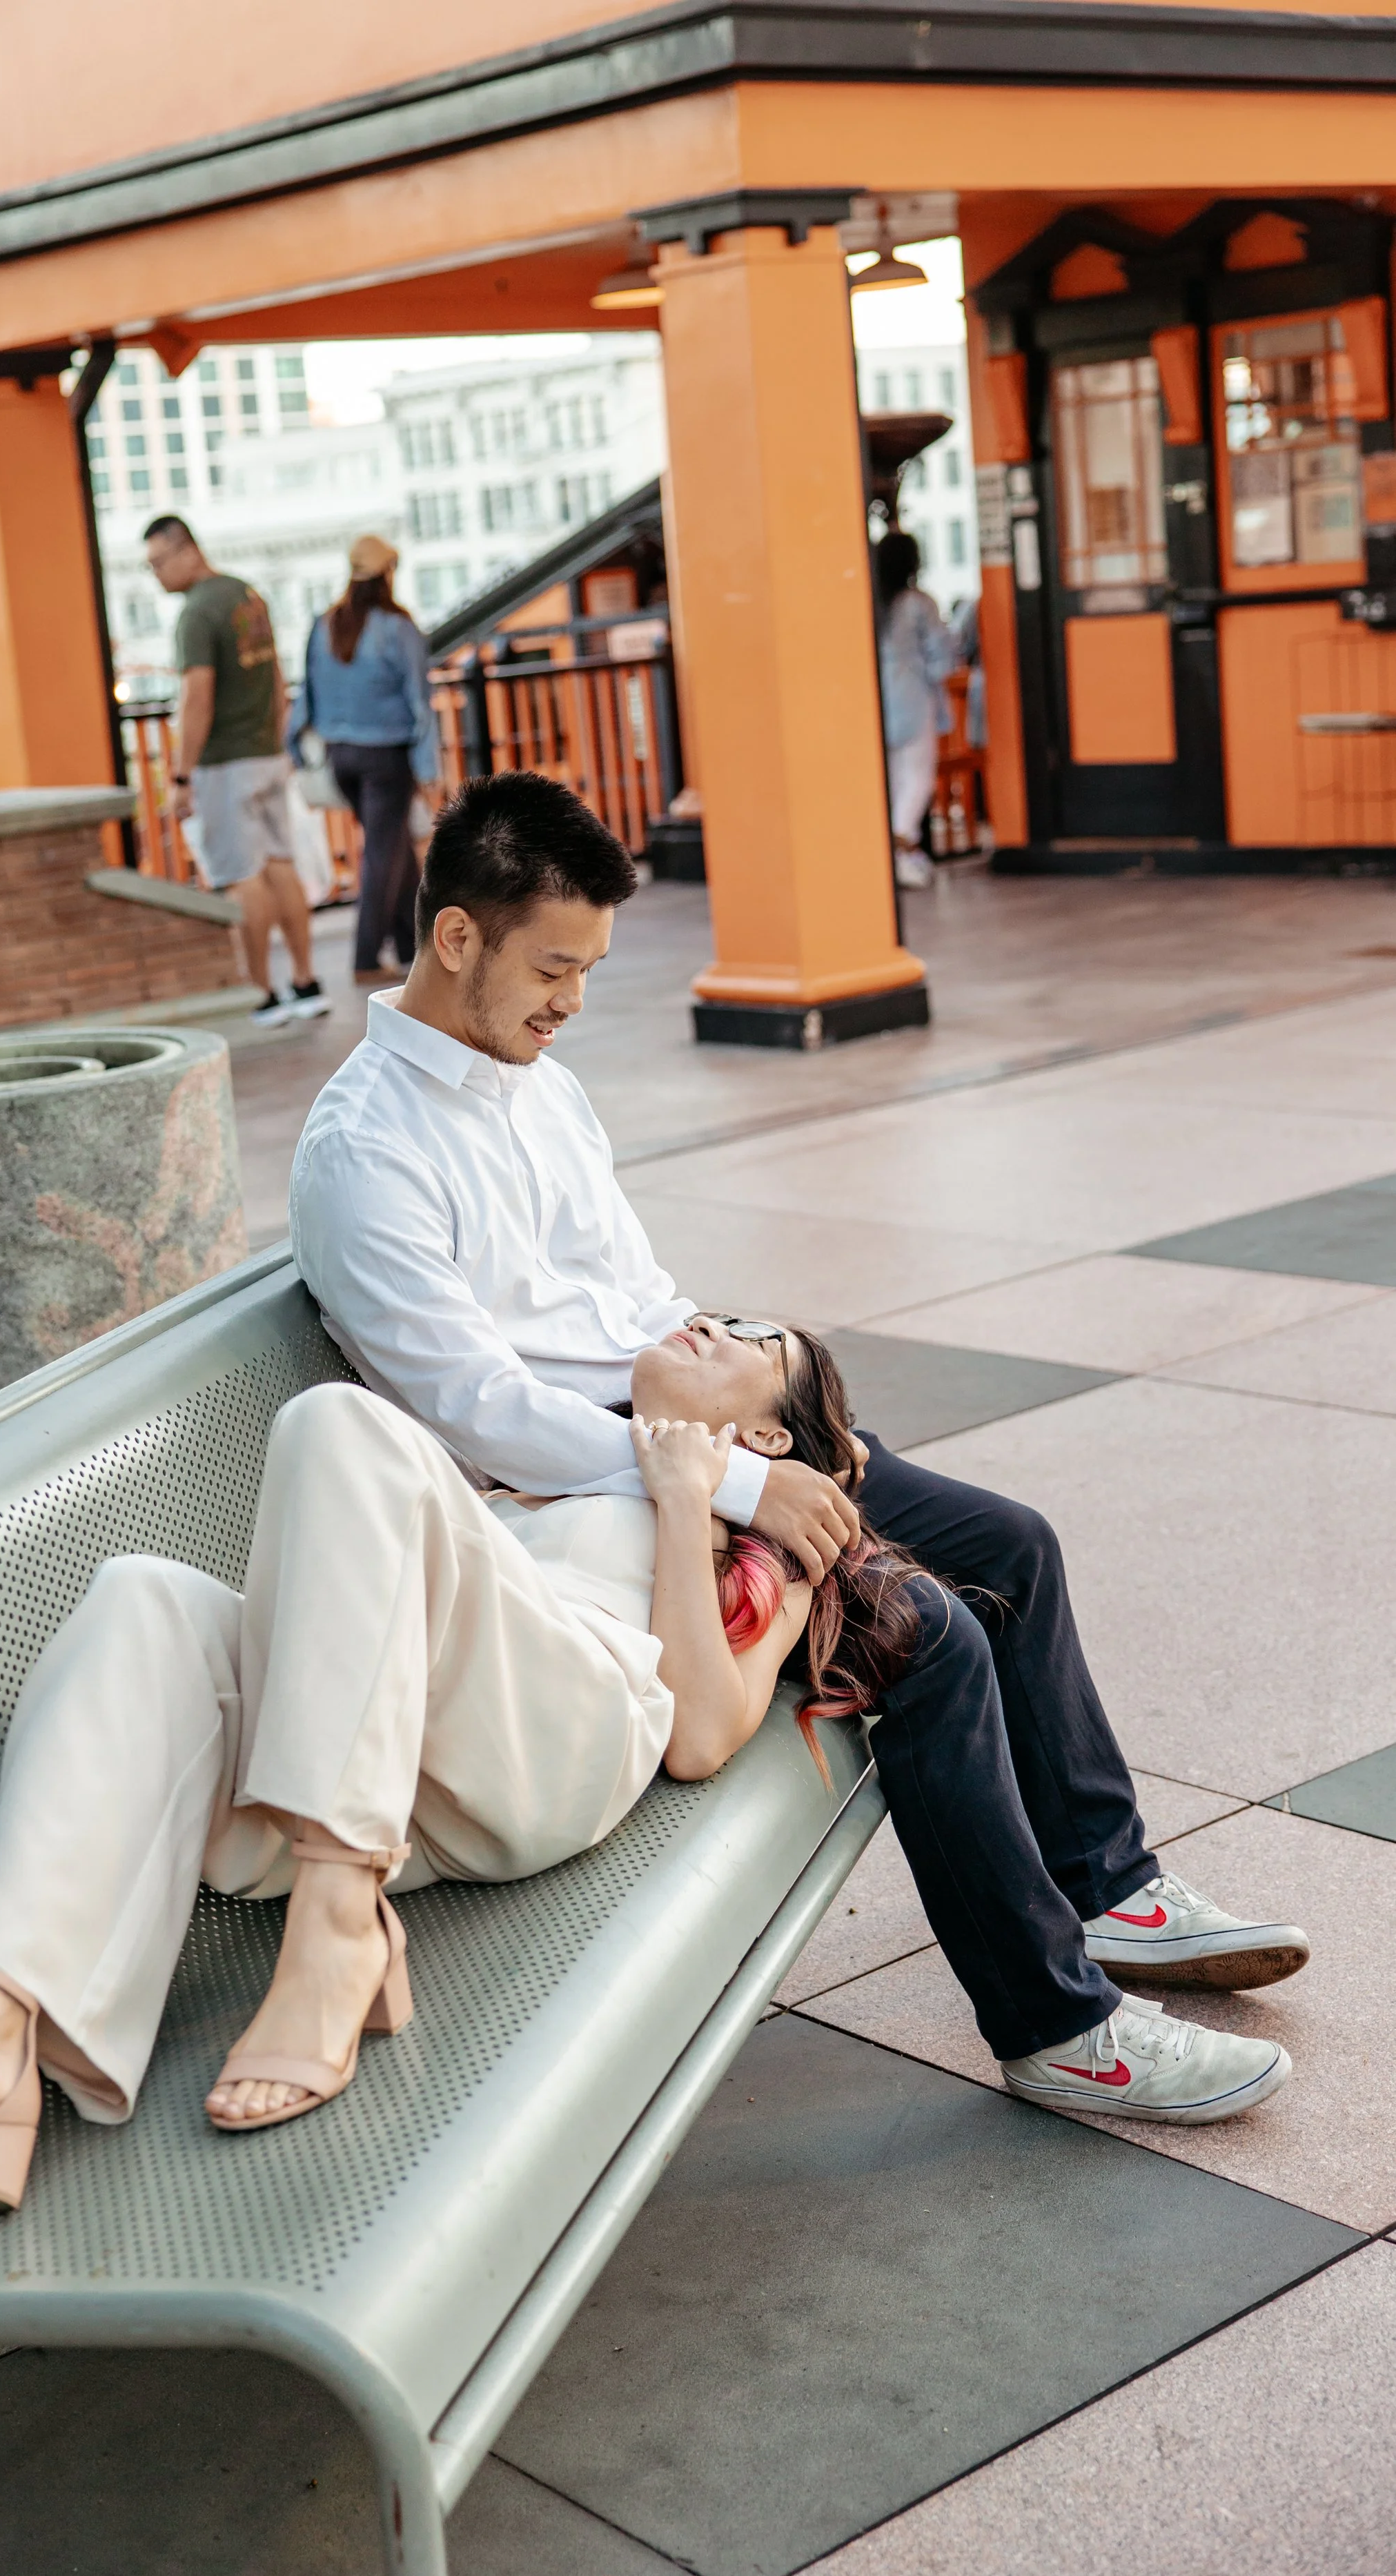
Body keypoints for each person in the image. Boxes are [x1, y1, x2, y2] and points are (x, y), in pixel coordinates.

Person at [290, 771, 1308, 2129]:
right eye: (551, 968)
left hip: (694, 1438)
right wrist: (745, 1481)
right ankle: (1057, 2029)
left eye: (589, 971)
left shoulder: (542, 1085)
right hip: (587, 1502)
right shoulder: (364, 1153)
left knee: (1010, 1546)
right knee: (929, 1636)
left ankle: (1107, 1889)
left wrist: (777, 1400)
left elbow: (639, 1297)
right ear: (457, 937)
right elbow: (474, 1407)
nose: (571, 1001)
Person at [0, 1309, 924, 2205]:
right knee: (143, 1601)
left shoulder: (769, 1537)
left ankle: (338, 1926)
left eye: (752, 1338)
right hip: (385, 1769)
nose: (708, 1321)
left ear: (770, 1433)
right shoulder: (556, 1456)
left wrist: (689, 1497)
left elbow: (701, 1737)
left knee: (335, 1421)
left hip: (559, 1736)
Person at [144, 515, 328, 1032]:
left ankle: (263, 993)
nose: (156, 574)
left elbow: (196, 697)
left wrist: (182, 777)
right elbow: (276, 676)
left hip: (225, 763)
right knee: (280, 864)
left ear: (187, 551)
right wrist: (276, 737)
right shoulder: (248, 596)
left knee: (241, 877)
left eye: (159, 562)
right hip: (266, 754)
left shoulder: (197, 613)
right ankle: (306, 982)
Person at [286, 535, 440, 985]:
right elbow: (420, 703)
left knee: (393, 849)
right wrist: (429, 771)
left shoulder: (324, 624)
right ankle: (366, 958)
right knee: (381, 855)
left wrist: (295, 749)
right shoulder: (398, 627)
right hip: (386, 759)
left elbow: (306, 693)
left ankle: (414, 947)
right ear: (387, 574)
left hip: (340, 759)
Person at [874, 527, 956, 894]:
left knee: (892, 780)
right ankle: (902, 847)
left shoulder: (871, 603)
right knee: (918, 778)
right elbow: (942, 658)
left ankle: (891, 853)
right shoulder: (918, 604)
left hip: (876, 698)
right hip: (912, 696)